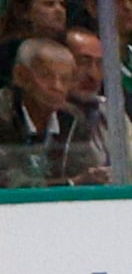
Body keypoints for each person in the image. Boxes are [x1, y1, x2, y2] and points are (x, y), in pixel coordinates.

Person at [1, 35, 107, 185]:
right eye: (46, 76)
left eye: (65, 79)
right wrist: (70, 183)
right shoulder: (3, 113)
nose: (57, 87)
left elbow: (81, 169)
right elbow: (7, 181)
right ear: (21, 76)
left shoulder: (73, 118)